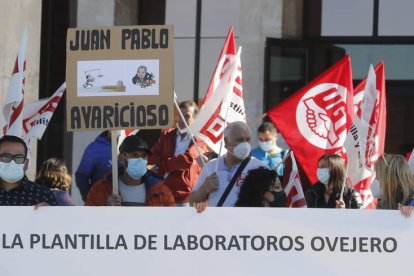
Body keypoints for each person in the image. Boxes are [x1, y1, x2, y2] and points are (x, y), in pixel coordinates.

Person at [189, 121, 267, 208]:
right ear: (226, 141)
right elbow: (192, 202)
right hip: (216, 221)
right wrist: (204, 189)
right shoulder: (211, 167)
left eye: (248, 139)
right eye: (240, 140)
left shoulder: (260, 168)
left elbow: (272, 202)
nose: (245, 144)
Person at [85, 135, 175, 206]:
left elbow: (172, 223)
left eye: (143, 155)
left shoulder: (161, 191)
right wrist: (106, 209)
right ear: (122, 157)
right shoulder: (101, 189)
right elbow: (88, 221)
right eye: (134, 155)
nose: (140, 159)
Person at [148, 100, 207, 206]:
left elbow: (186, 160)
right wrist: (174, 164)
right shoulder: (167, 134)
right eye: (180, 115)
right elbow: (151, 157)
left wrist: (159, 166)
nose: (182, 119)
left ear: (195, 119)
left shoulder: (199, 139)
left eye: (187, 116)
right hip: (163, 193)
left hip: (184, 197)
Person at [0, 135, 57, 206]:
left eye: (19, 158)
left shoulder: (43, 195)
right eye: (6, 157)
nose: (12, 162)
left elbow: (60, 217)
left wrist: (50, 212)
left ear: (26, 164)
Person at [75, 131, 112, 201]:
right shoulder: (94, 149)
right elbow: (81, 176)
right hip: (101, 206)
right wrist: (90, 200)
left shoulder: (133, 147)